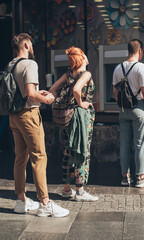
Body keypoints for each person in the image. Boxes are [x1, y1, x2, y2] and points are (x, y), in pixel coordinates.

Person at [9, 33, 69, 217]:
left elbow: (23, 91)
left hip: (14, 116)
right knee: (39, 157)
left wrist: (37, 93)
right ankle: (45, 203)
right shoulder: (30, 64)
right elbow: (29, 94)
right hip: (28, 115)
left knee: (20, 158)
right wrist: (47, 99)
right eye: (31, 44)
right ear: (26, 44)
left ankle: (21, 201)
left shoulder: (11, 65)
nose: (32, 47)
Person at [49, 47, 98, 202]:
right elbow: (77, 89)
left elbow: (52, 89)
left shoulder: (68, 74)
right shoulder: (86, 73)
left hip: (67, 117)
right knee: (81, 149)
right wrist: (81, 103)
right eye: (84, 53)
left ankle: (66, 189)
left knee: (68, 151)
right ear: (81, 58)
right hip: (80, 117)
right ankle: (80, 191)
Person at [112, 39, 144, 188]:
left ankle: (125, 178)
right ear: (140, 51)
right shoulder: (141, 67)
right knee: (140, 144)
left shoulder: (118, 68)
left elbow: (115, 91)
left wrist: (123, 104)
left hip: (123, 110)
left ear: (128, 50)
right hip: (139, 109)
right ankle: (140, 177)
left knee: (124, 144)